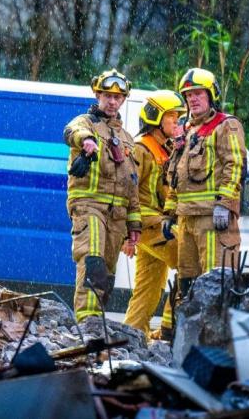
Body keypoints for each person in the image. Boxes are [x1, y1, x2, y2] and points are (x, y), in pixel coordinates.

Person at [64, 69, 141, 323]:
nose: (112, 101)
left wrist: (134, 226)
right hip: (89, 206)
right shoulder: (86, 123)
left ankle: (97, 324)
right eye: (107, 95)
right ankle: (87, 328)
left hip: (117, 217)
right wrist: (86, 141)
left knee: (106, 275)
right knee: (93, 263)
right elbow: (71, 131)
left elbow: (132, 186)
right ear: (98, 94)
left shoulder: (127, 140)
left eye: (118, 97)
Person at [164, 68, 246, 299]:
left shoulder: (225, 125)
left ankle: (214, 335)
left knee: (215, 284)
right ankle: (187, 333)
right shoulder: (186, 131)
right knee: (187, 284)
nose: (193, 99)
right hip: (186, 220)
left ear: (212, 96)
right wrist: (170, 213)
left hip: (213, 219)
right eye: (189, 95)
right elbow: (176, 174)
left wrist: (224, 203)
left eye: (199, 93)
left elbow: (235, 165)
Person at [123, 90, 185, 339]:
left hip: (158, 225)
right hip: (150, 224)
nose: (177, 122)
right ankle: (170, 330)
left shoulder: (167, 149)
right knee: (190, 262)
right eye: (172, 116)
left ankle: (129, 336)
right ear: (155, 117)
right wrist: (127, 234)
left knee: (148, 288)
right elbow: (127, 192)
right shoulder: (141, 150)